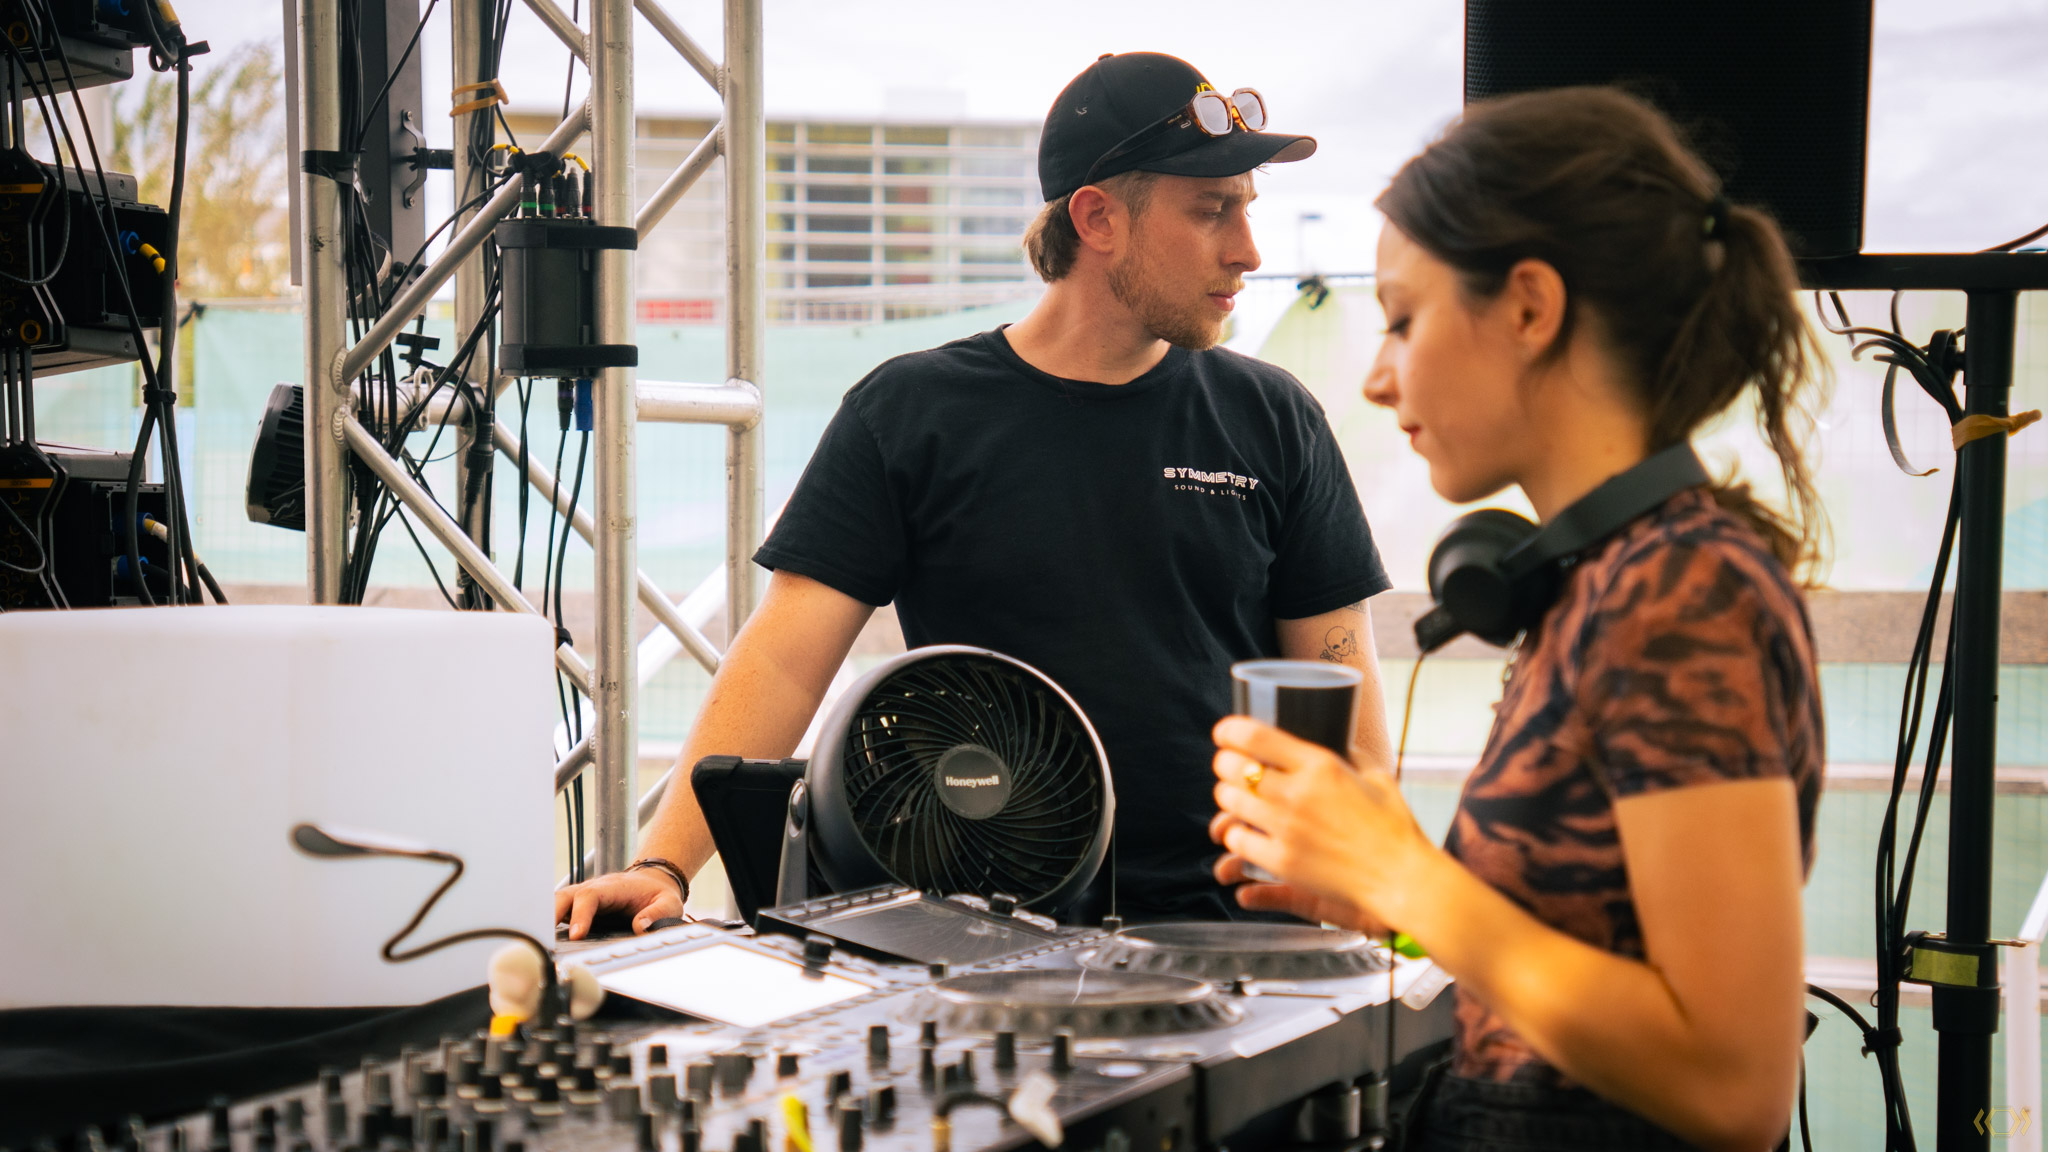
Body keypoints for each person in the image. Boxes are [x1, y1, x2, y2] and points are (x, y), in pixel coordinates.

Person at [555, 51, 1395, 936]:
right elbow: (784, 660)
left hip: (1235, 934)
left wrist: (1378, 896)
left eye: (1246, 208)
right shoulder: (912, 413)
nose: (1248, 249)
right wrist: (661, 865)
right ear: (1098, 218)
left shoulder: (1274, 418)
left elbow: (1344, 711)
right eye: (1212, 209)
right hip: (981, 930)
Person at [1207, 87, 1826, 1152]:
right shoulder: (1602, 581)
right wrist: (1387, 900)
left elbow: (1734, 1087)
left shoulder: (1680, 594)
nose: (1377, 375)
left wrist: (1406, 875)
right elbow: (1570, 956)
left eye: (1404, 319)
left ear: (1530, 307)